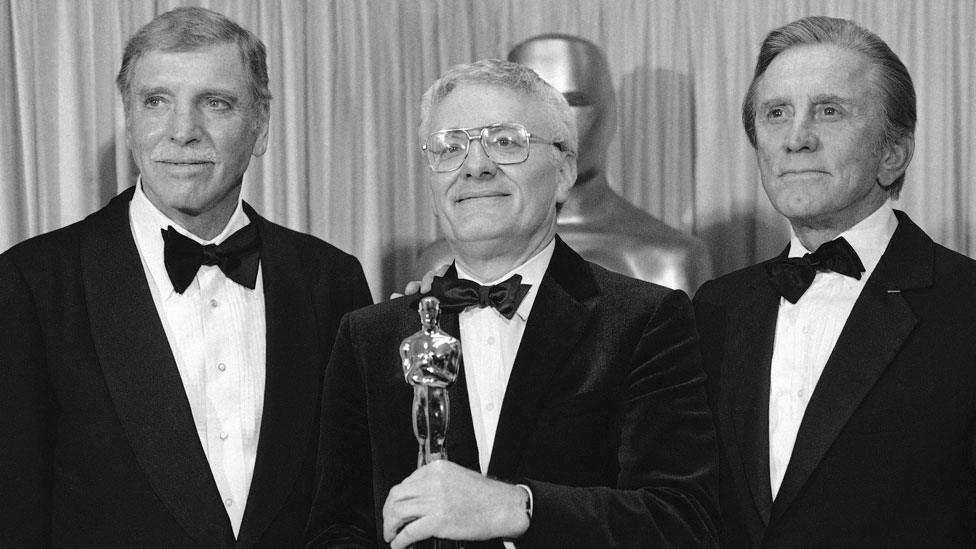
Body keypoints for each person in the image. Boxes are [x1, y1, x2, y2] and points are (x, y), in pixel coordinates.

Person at [305, 59, 718, 549]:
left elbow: (682, 523)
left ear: (564, 171)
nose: (475, 166)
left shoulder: (646, 320)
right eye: (450, 147)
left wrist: (517, 507)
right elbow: (336, 531)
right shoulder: (370, 336)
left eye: (506, 141)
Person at [0, 7, 372, 547]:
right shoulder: (32, 283)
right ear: (129, 121)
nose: (182, 132)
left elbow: (352, 498)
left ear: (261, 126)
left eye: (215, 104)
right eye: (156, 102)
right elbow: (13, 513)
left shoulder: (330, 279)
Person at [693, 16, 976, 546]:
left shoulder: (967, 305)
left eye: (829, 111)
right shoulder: (716, 307)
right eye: (776, 113)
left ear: (893, 153)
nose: (796, 138)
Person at [419, 34, 713, 294]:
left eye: (573, 102)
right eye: (505, 135)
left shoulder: (671, 255)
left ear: (611, 112)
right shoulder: (439, 264)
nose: (558, 119)